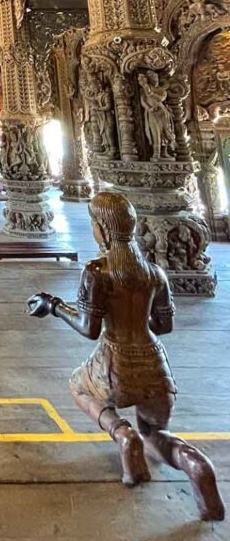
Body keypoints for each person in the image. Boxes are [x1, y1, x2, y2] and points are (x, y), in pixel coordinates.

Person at [27, 191, 224, 521]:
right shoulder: (153, 273)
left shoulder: (97, 271)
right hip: (155, 364)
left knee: (78, 385)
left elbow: (89, 329)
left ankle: (121, 434)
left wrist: (55, 306)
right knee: (157, 435)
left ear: (102, 228)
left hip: (115, 363)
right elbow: (164, 326)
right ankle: (199, 467)